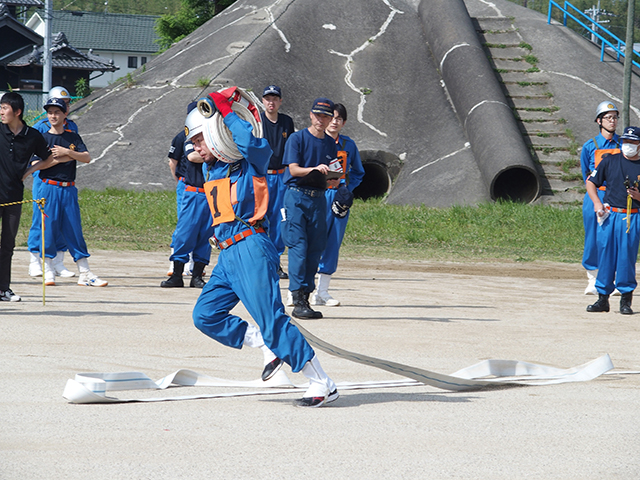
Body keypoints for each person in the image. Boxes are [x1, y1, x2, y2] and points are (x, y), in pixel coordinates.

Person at [189, 88, 338, 407]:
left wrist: (226, 110)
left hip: (251, 247)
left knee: (272, 319)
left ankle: (321, 382)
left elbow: (251, 143)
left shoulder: (250, 162)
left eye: (200, 140)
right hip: (227, 255)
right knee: (205, 315)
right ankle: (267, 346)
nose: (196, 147)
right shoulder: (211, 169)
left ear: (216, 136)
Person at [30, 97, 107, 287]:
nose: (53, 116)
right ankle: (47, 269)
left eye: (57, 112)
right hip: (49, 187)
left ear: (65, 114)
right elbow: (34, 165)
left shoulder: (73, 137)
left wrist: (68, 153)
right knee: (48, 228)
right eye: (50, 112)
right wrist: (58, 160)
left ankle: (85, 272)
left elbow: (86, 157)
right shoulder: (42, 139)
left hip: (69, 189)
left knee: (74, 229)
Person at [281, 97, 340, 319]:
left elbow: (332, 176)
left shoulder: (329, 144)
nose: (321, 119)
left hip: (318, 198)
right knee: (298, 246)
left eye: (326, 116)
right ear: (310, 115)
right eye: (318, 115)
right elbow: (294, 170)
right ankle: (296, 297)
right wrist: (315, 169)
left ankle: (307, 294)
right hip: (296, 196)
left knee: (316, 247)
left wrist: (336, 180)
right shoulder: (297, 139)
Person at [0, 92, 53, 301]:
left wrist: (31, 171)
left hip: (13, 197)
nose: (1, 112)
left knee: (8, 244)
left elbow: (49, 159)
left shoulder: (33, 136)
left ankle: (4, 288)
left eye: (5, 108)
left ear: (17, 112)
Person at [312, 103, 364, 306]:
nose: (334, 122)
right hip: (316, 194)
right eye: (331, 117)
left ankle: (322, 292)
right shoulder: (313, 141)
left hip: (337, 197)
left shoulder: (348, 145)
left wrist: (347, 191)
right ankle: (299, 290)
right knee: (310, 240)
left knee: (332, 241)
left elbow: (359, 172)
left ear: (344, 123)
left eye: (339, 119)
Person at [585, 125, 640, 315]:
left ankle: (625, 299)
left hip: (631, 216)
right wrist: (596, 203)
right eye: (626, 141)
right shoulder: (610, 161)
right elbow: (591, 182)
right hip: (610, 214)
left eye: (633, 142)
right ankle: (602, 298)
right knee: (605, 254)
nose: (628, 145)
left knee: (626, 257)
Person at [28, 86, 77, 278]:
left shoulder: (72, 127)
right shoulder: (41, 127)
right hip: (44, 179)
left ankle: (58, 261)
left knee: (61, 222)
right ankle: (34, 259)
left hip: (64, 179)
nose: (63, 107)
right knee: (39, 219)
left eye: (66, 103)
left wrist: (69, 156)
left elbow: (75, 153)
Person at [161, 106, 211, 289]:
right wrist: (214, 154)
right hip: (194, 192)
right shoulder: (189, 137)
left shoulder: (214, 136)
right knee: (185, 233)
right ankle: (177, 274)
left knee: (206, 235)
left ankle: (197, 275)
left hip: (211, 193)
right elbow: (192, 156)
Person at [580, 102, 621, 295]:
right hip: (596, 194)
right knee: (593, 237)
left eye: (614, 117)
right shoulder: (589, 146)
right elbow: (586, 175)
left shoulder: (624, 144)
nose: (612, 121)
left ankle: (612, 279)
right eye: (608, 117)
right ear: (599, 121)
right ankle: (592, 278)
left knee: (615, 238)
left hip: (617, 196)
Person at [260, 85, 295, 280]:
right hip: (262, 176)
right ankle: (261, 260)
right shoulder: (257, 121)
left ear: (280, 101)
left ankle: (276, 261)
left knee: (280, 218)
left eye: (275, 98)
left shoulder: (286, 122)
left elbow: (292, 149)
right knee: (260, 217)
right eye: (267, 98)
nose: (271, 102)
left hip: (281, 176)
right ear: (262, 101)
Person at [166, 101, 198, 277]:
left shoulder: (207, 136)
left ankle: (191, 263)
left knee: (199, 226)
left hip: (201, 185)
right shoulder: (181, 137)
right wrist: (179, 180)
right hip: (186, 184)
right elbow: (173, 162)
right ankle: (175, 262)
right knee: (183, 225)